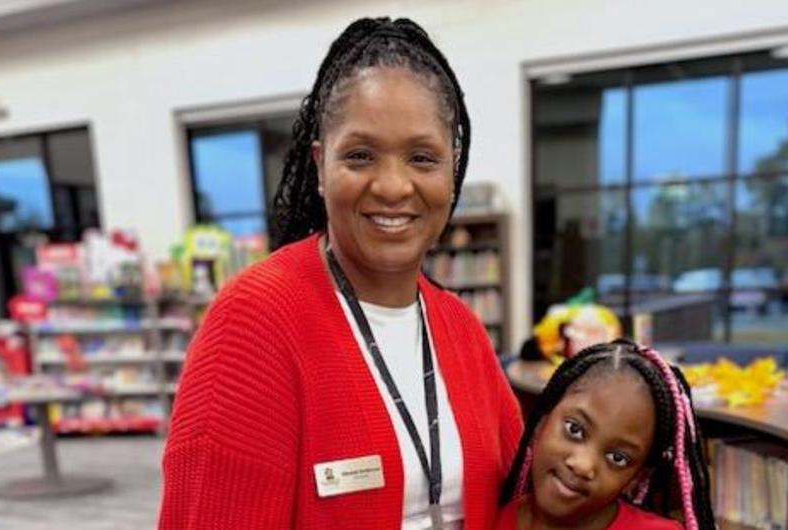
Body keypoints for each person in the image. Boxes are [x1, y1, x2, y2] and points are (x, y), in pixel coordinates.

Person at [159, 17, 522, 529]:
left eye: (422, 158)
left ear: (452, 168)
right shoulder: (254, 323)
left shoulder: (461, 328)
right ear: (320, 166)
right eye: (360, 155)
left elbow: (524, 494)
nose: (394, 186)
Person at [497, 340, 716, 530]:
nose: (583, 465)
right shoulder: (494, 517)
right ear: (541, 423)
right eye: (575, 429)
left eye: (617, 458)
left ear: (636, 478)